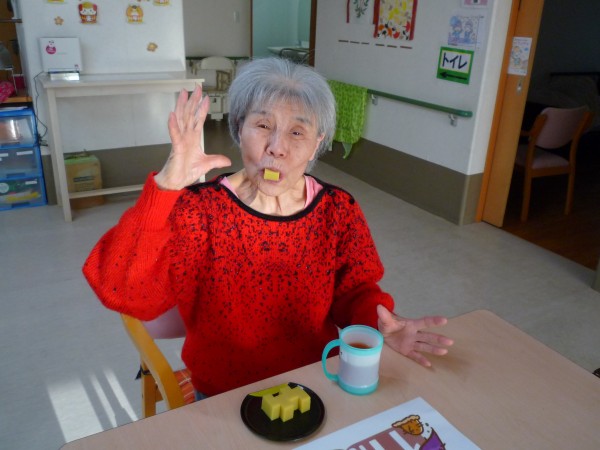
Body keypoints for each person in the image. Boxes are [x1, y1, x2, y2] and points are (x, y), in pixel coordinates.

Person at [83, 57, 453, 397]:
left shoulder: (337, 210)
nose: (277, 147)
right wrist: (165, 188)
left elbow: (355, 291)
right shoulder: (198, 210)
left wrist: (378, 321)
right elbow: (124, 292)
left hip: (317, 380)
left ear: (316, 145)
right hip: (223, 392)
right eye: (262, 126)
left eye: (297, 132)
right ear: (238, 129)